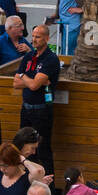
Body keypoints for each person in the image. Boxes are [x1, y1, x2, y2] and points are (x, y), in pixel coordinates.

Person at [12, 23, 60, 178]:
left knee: (43, 148)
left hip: (42, 110)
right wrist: (29, 80)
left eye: (38, 37)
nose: (34, 40)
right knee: (23, 147)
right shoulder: (28, 56)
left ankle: (49, 188)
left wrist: (24, 77)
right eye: (33, 36)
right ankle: (26, 181)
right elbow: (16, 83)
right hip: (26, 109)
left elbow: (32, 85)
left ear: (46, 38)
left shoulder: (51, 59)